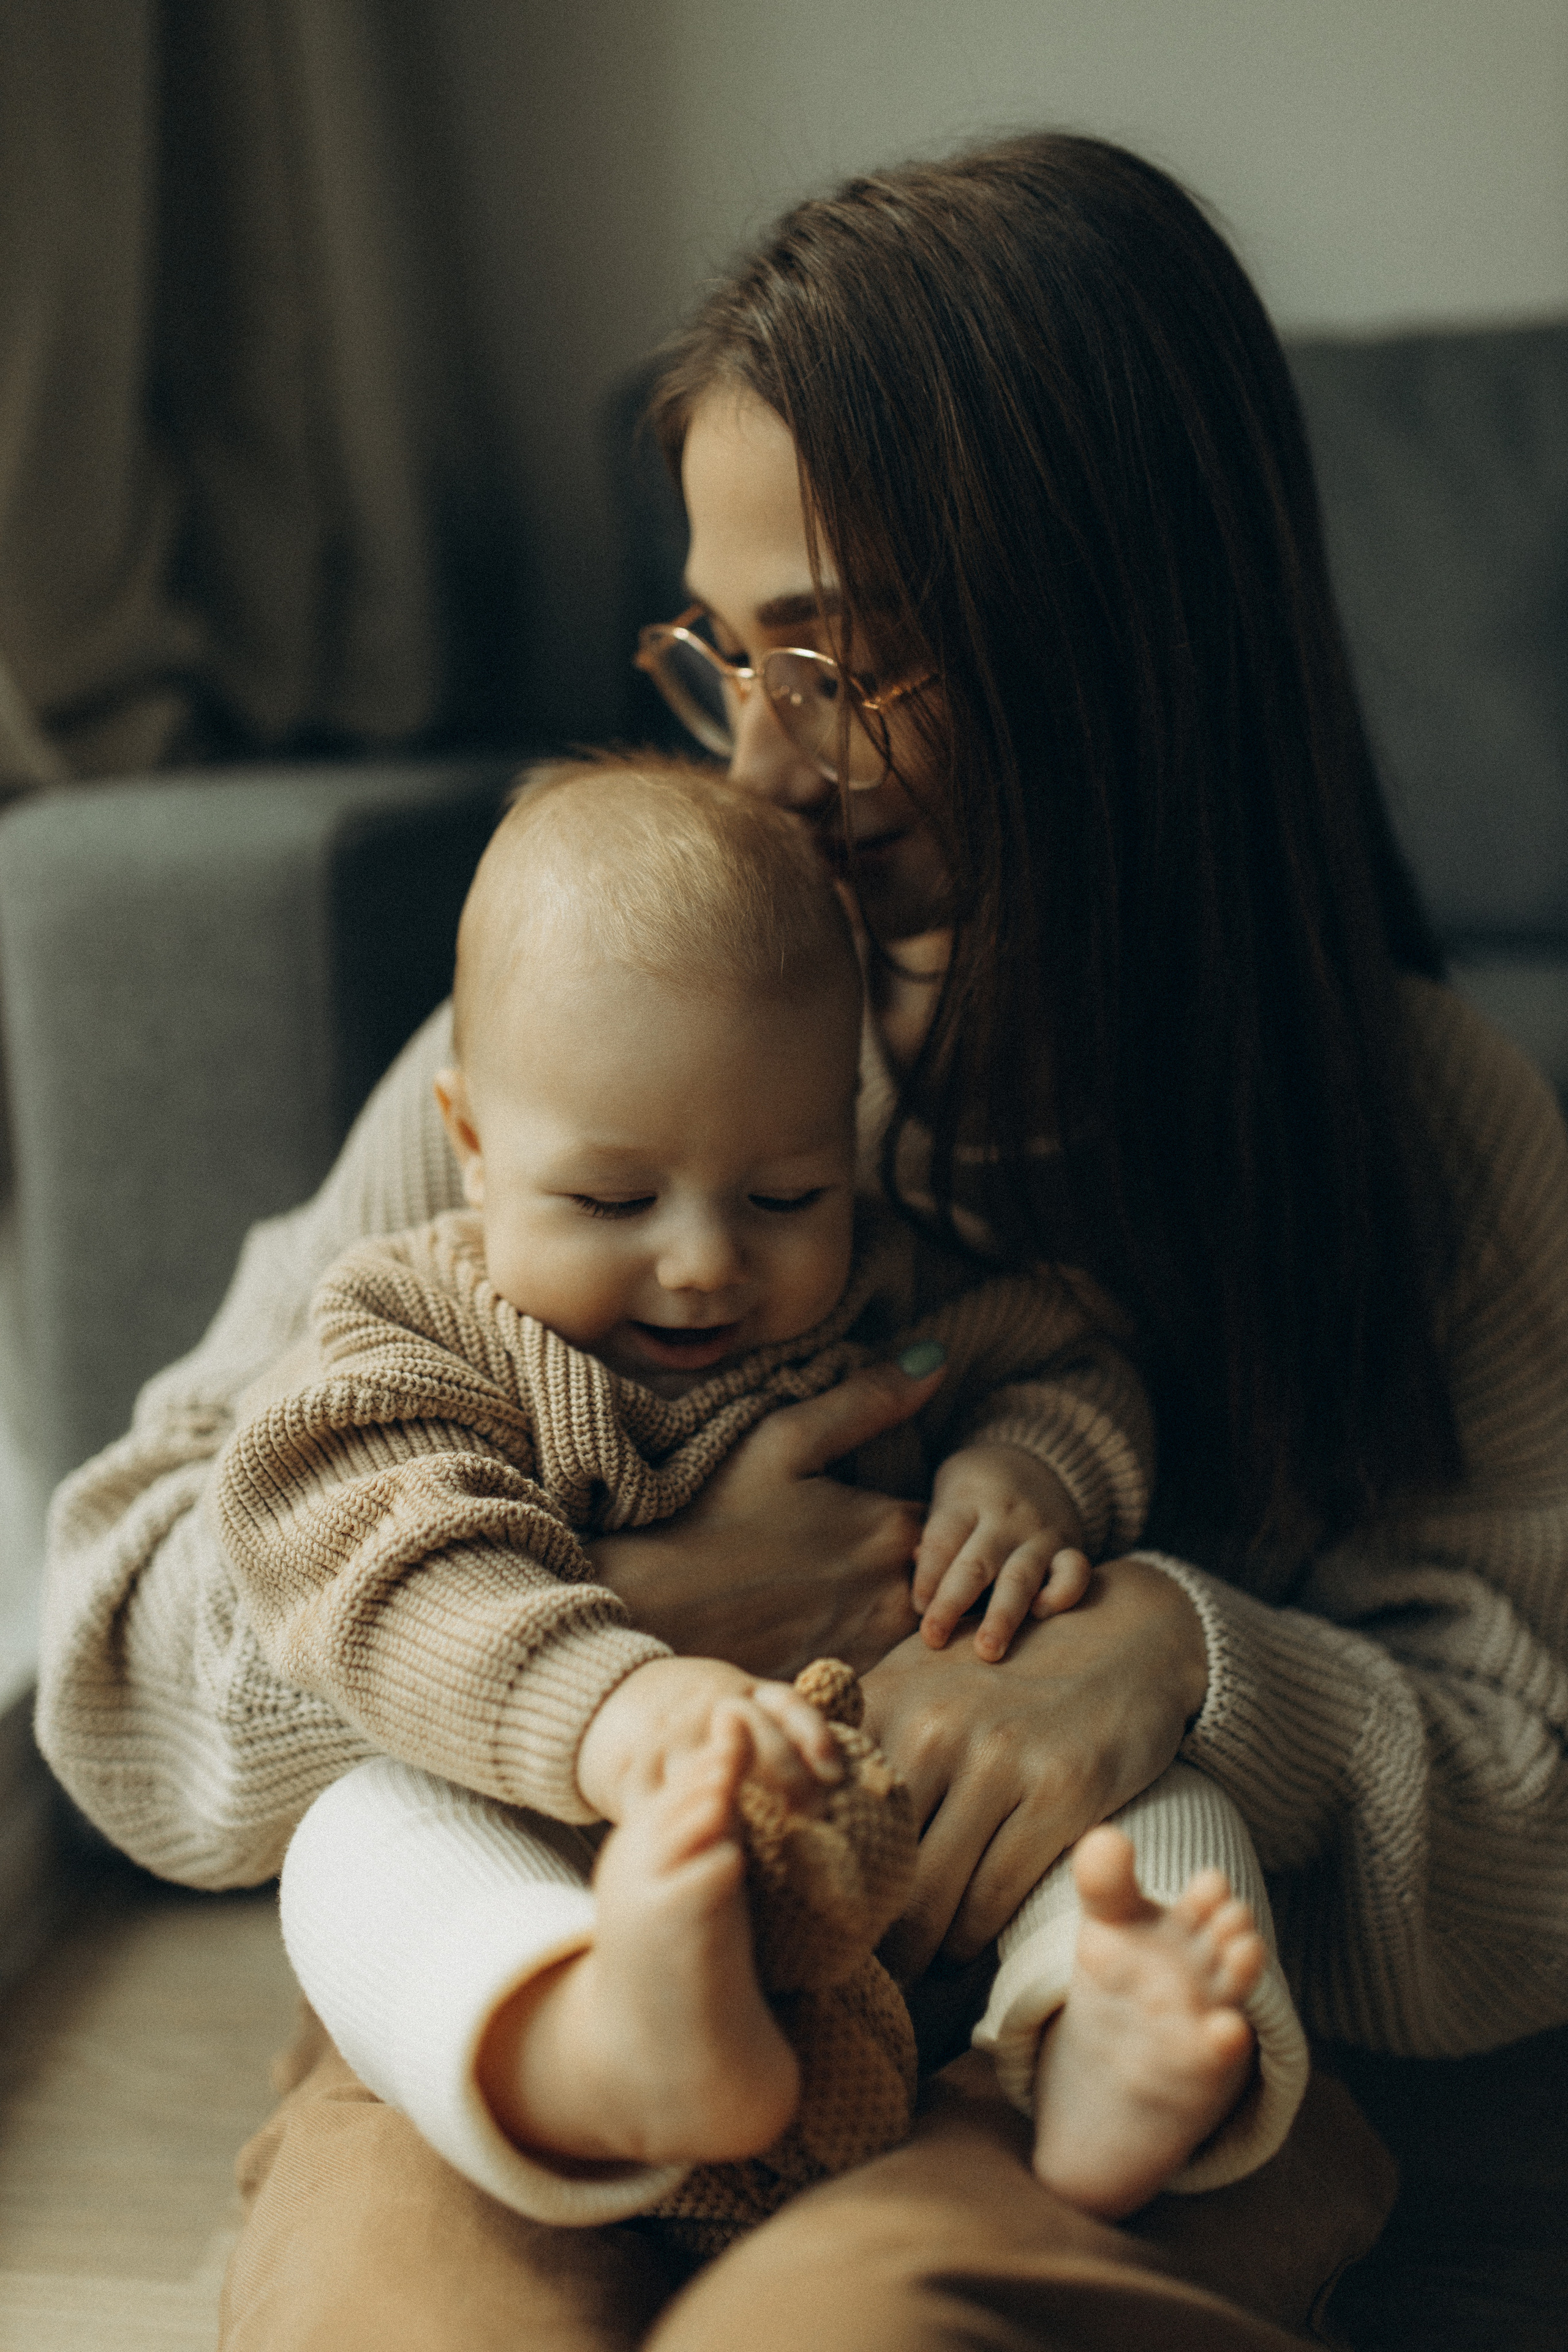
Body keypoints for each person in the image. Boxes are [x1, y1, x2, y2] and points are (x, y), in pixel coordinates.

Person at [35, 129, 1568, 2352]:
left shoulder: (1416, 1129)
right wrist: (604, 1639)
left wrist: (1182, 1661)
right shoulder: (593, 1051)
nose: (764, 765)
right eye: (721, 652)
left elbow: (1539, 1828)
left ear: (1121, 639)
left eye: (849, 660)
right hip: (565, 1992)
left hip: (1076, 2070)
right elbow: (116, 1662)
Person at [226, 752, 1303, 2232]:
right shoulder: (422, 1334)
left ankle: (1095, 2038)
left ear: (843, 1140)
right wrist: (616, 1711)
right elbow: (357, 1542)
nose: (701, 1261)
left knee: (1149, 1805)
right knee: (362, 1841)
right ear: (469, 1144)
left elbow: (1061, 1355)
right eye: (611, 1201)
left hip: (896, 1845)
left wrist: (1022, 1470)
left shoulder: (883, 1295)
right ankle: (596, 2047)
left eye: (783, 1194)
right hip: (572, 1858)